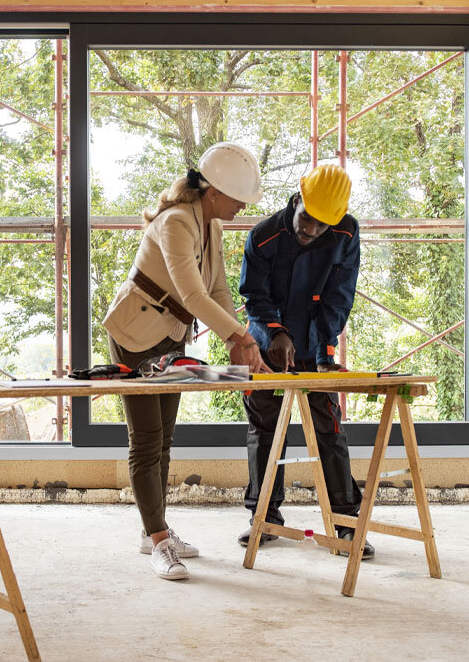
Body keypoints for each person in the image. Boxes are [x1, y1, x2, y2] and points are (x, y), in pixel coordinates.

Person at [103, 142, 270, 580]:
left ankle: (152, 531)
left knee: (164, 439)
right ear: (214, 192)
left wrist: (242, 342)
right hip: (135, 335)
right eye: (238, 199)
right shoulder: (176, 223)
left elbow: (216, 293)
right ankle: (158, 541)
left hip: (169, 338)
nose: (242, 208)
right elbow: (193, 295)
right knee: (146, 438)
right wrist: (241, 339)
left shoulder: (210, 224)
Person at [236, 163, 374, 560]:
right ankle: (264, 518)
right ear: (297, 199)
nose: (311, 231)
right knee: (265, 431)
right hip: (266, 346)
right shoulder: (263, 237)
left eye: (321, 227)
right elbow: (254, 297)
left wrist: (324, 352)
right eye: (307, 220)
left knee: (328, 430)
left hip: (316, 345)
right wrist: (277, 333)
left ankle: (348, 525)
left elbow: (339, 296)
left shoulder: (346, 232)